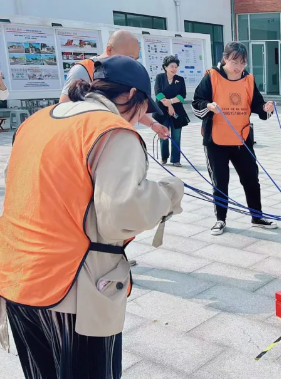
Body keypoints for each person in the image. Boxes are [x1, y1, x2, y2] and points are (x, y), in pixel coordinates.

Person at [0, 55, 184, 378]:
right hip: (72, 291)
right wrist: (168, 194)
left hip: (16, 282)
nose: (140, 117)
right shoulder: (110, 130)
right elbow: (122, 212)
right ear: (129, 96)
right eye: (142, 108)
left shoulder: (36, 122)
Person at [192, 42, 277, 236]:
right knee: (220, 181)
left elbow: (257, 104)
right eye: (234, 61)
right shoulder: (211, 76)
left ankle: (257, 216)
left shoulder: (248, 80)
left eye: (242, 62)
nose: (238, 67)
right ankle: (220, 219)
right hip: (216, 141)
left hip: (242, 139)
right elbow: (197, 102)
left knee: (251, 179)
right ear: (225, 59)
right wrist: (209, 106)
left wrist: (266, 108)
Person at [59, 30, 169, 140]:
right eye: (129, 58)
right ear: (109, 50)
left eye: (135, 59)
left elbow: (129, 106)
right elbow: (64, 110)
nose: (133, 63)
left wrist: (152, 124)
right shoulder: (83, 70)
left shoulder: (123, 72)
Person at [154, 55, 190, 167]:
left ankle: (176, 159)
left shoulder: (180, 79)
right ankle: (164, 158)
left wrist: (171, 102)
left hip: (177, 111)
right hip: (162, 111)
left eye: (176, 66)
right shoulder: (160, 77)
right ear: (165, 67)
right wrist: (168, 104)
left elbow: (182, 95)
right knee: (163, 135)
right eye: (172, 66)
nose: (174, 69)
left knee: (176, 136)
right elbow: (158, 93)